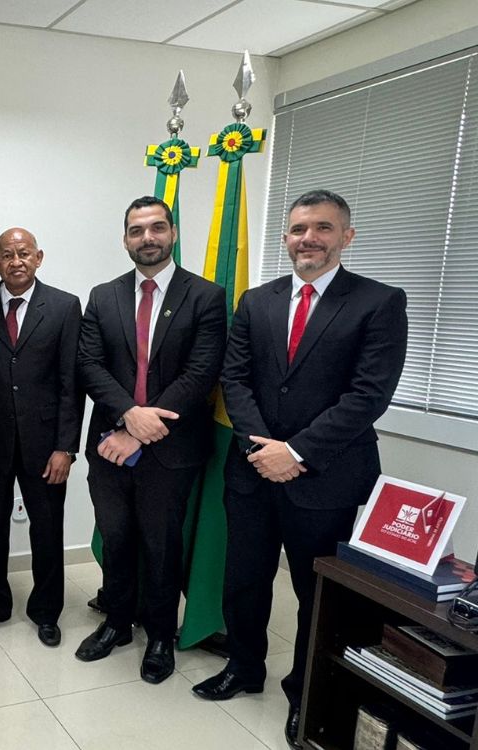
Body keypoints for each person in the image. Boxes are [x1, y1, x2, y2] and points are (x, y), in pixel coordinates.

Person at [191, 189, 408, 750]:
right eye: (298, 229)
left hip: (328, 478)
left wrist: (297, 453)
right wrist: (263, 448)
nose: (308, 238)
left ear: (346, 237)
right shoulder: (255, 301)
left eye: (323, 228)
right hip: (252, 470)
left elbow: (369, 395)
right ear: (285, 237)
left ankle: (305, 694)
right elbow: (235, 379)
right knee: (244, 580)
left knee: (317, 595)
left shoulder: (379, 302)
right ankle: (244, 667)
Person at [76, 196, 226, 684]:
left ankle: (161, 636)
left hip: (171, 449)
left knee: (162, 546)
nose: (147, 238)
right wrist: (127, 418)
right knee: (117, 538)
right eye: (137, 230)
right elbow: (89, 365)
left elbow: (201, 373)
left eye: (157, 228)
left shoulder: (206, 296)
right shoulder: (103, 296)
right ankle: (117, 623)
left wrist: (140, 431)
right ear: (125, 239)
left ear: (173, 233)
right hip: (109, 447)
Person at [0, 227, 82, 647]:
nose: (16, 262)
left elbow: (71, 384)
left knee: (47, 531)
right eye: (7, 255)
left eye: (24, 253)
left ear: (38, 257)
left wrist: (66, 447)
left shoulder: (65, 307)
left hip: (46, 444)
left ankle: (46, 612)